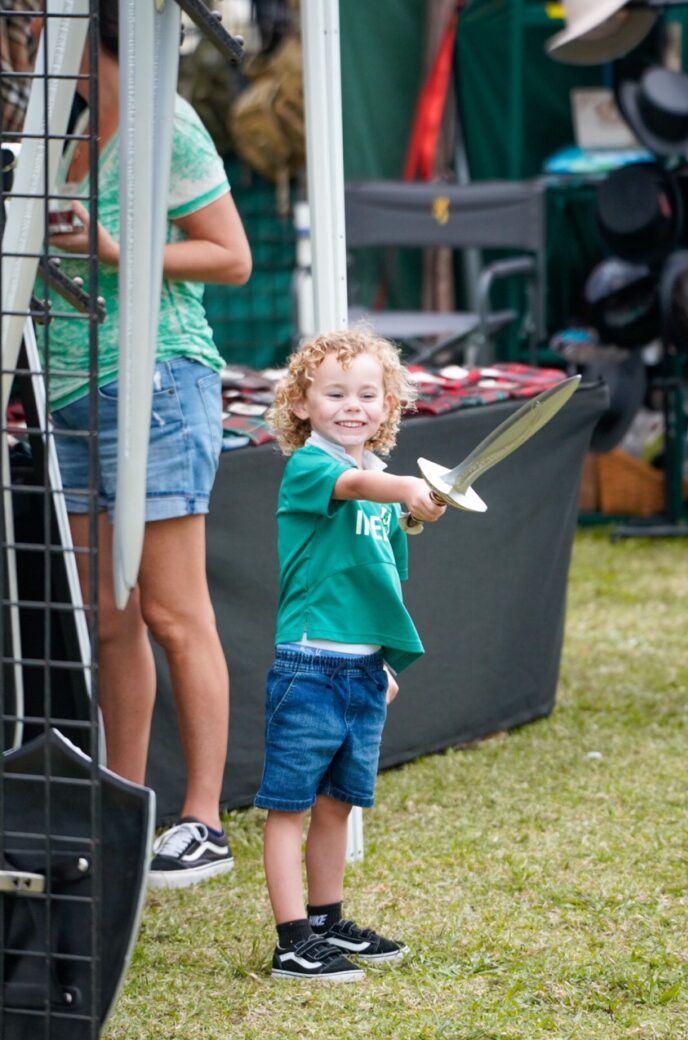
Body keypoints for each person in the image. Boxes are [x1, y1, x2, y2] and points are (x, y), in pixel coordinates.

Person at [41, 0, 252, 886]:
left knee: (171, 610)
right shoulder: (51, 134)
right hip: (67, 391)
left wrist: (117, 250)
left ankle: (202, 819)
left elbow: (232, 256)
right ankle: (118, 801)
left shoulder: (167, 121)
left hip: (157, 379)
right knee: (111, 620)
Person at [257, 328, 446, 981]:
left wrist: (386, 663)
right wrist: (404, 490)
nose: (352, 405)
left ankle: (327, 920)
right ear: (302, 403)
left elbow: (387, 578)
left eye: (368, 393)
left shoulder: (382, 487)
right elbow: (360, 488)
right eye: (334, 392)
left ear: (389, 406)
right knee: (289, 806)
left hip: (363, 673)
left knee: (339, 801)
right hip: (309, 667)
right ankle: (290, 941)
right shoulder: (311, 467)